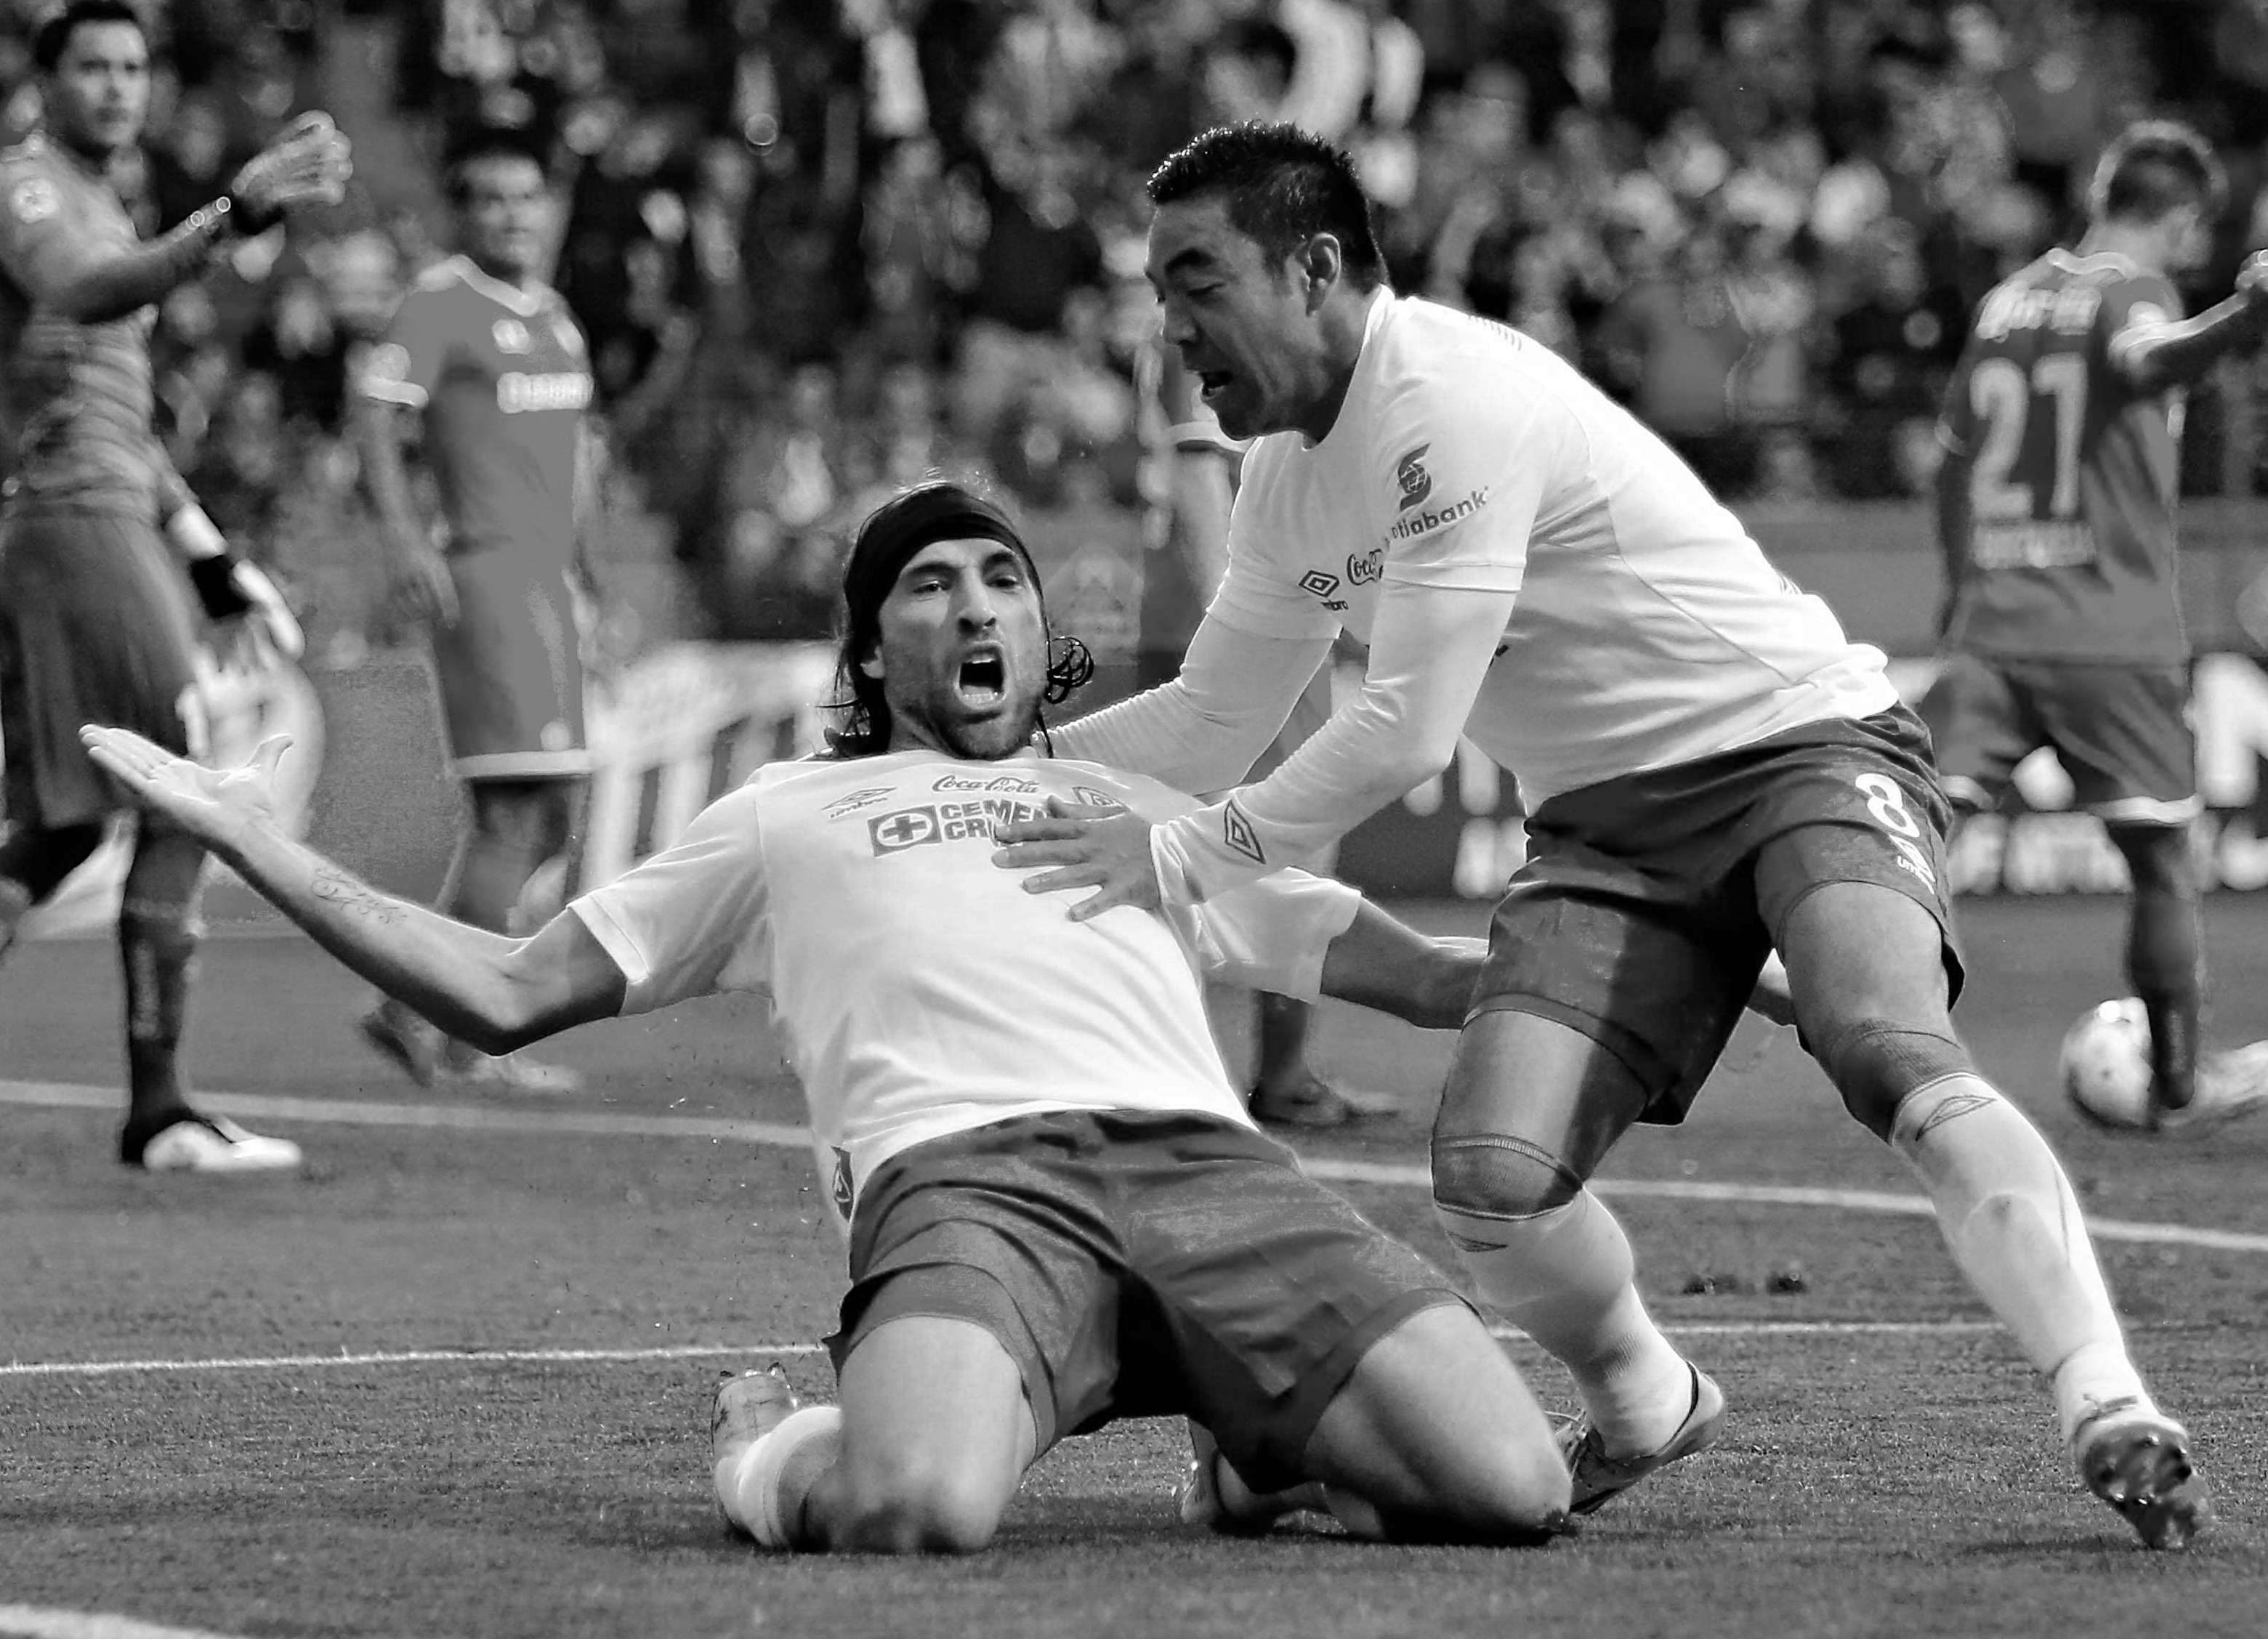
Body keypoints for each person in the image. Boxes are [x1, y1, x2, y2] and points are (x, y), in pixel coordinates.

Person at [993, 121, 2211, 1550]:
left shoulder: (1445, 395)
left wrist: (1181, 856)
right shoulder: (1282, 479)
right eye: (1159, 285)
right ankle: (1645, 1397)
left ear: (1313, 266)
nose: (1170, 321)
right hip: (1606, 833)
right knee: (1492, 1184)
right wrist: (1008, 770)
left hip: (1796, 747)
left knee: (1884, 1047)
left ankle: (2109, 1402)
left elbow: (1403, 731)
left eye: (1196, 277)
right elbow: (1209, 717)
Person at [80, 480, 1574, 1555]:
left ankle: (1255, 1457)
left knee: (1515, 1489)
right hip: (967, 1180)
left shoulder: (1134, 804)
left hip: (1211, 1171)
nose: (975, 600)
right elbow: (505, 989)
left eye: (1000, 574)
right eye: (929, 584)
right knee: (912, 1509)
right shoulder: (782, 818)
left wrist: (1671, 957)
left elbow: (1434, 975)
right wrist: (253, 838)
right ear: (868, 655)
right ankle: (767, 1447)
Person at [0, 0, 347, 1172]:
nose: (115, 86)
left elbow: (125, 423)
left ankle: (161, 1107)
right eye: (90, 66)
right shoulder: (28, 188)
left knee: (53, 831)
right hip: (67, 517)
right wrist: (232, 215)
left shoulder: (103, 202)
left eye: (132, 67)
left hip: (91, 510)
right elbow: (80, 291)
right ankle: (159, 1113)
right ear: (44, 82)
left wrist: (209, 556)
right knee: (185, 786)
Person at [1924, 121, 2268, 1132]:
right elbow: (2149, 359)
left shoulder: (2004, 301)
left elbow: (1950, 460)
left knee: (1916, 839)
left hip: (1992, 618)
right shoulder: (2133, 289)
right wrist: (2242, 320)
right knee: (2160, 859)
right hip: (2110, 627)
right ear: (2179, 216)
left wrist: (1960, 591)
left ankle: (1846, 1015)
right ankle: (2177, 1082)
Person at [353, 129, 599, 1094]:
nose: (512, 215)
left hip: (549, 588)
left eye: (525, 196)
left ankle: (422, 1015)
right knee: (515, 818)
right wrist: (407, 541)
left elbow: (578, 460)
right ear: (463, 213)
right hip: (489, 579)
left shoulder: (557, 317)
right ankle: (452, 1026)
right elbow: (375, 411)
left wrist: (593, 581)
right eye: (490, 199)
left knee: (549, 822)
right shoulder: (442, 301)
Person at [1142, 339, 1392, 1128]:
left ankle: (1261, 1074)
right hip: (1236, 631)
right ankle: (1220, 1079)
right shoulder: (1208, 332)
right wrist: (1243, 630)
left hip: (1262, 622)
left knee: (1252, 841)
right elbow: (1197, 478)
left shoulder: (1229, 326)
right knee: (1276, 840)